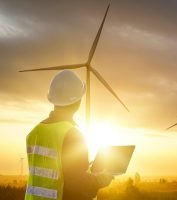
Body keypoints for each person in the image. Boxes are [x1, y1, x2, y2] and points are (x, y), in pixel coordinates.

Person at [25, 70, 113, 200]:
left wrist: (83, 167)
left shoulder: (34, 132)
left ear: (53, 99)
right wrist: (100, 179)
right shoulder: (72, 135)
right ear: (78, 102)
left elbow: (54, 170)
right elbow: (76, 183)